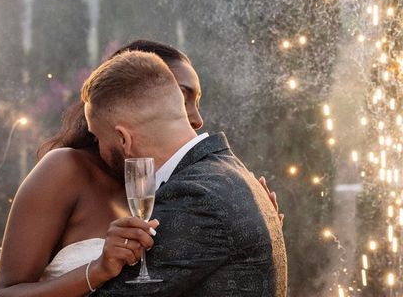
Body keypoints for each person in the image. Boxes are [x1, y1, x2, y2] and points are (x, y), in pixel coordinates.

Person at [0, 40, 281, 297]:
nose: (194, 119)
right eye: (181, 97)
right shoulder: (66, 169)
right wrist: (96, 270)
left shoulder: (184, 191)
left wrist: (254, 227)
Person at [82, 51, 287, 296]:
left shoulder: (194, 197)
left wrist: (98, 269)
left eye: (97, 138)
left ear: (123, 138)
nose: (98, 149)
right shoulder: (228, 171)